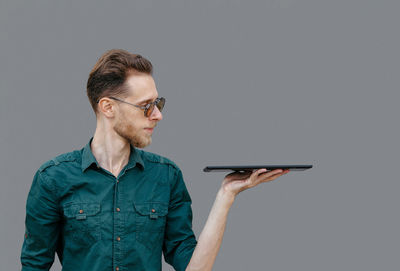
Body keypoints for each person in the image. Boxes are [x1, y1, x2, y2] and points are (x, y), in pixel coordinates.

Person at [21, 49, 290, 271]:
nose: (157, 115)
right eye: (145, 106)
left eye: (158, 104)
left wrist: (226, 195)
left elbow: (194, 268)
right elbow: (34, 265)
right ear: (108, 107)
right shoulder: (53, 179)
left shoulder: (167, 176)